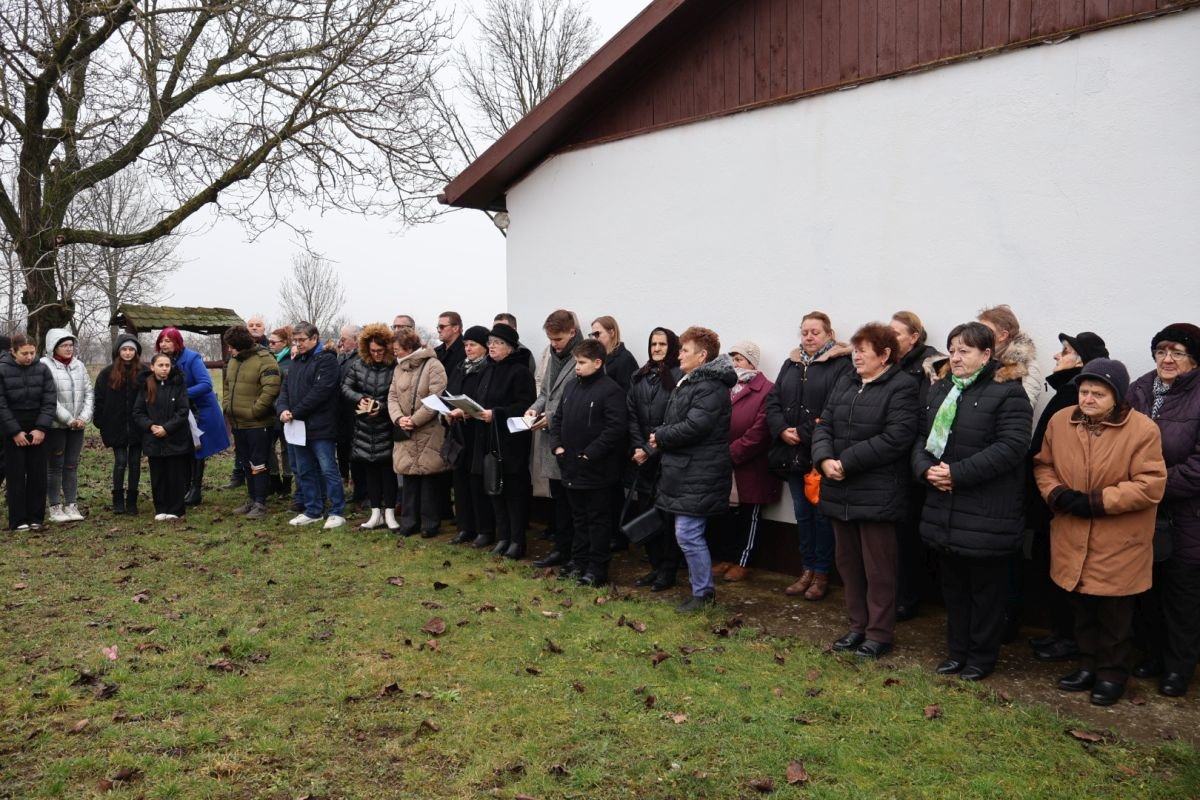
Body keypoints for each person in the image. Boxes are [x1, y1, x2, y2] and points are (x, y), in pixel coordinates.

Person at [1034, 358, 1166, 706]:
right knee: (1082, 608)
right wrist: (1056, 494)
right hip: (1072, 533)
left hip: (1118, 540)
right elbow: (1044, 465)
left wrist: (1097, 501)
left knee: (1114, 616)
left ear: (1116, 396)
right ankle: (1087, 666)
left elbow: (1150, 484)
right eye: (1084, 391)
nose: (1088, 399)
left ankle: (1112, 675)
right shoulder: (1061, 421)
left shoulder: (1142, 429)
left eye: (1098, 393)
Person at [913, 322, 1032, 681]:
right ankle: (957, 652)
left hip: (986, 512)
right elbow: (923, 438)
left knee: (985, 592)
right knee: (954, 589)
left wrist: (957, 473)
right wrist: (926, 470)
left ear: (986, 355)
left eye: (965, 351)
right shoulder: (942, 388)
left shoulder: (1008, 392)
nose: (955, 357)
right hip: (945, 509)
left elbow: (1011, 447)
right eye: (952, 349)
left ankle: (981, 657)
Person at [812, 323, 919, 659]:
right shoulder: (846, 381)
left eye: (863, 351)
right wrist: (823, 459)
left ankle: (879, 633)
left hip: (877, 493)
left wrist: (846, 462)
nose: (855, 356)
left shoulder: (902, 386)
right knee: (848, 564)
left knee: (878, 568)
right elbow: (824, 424)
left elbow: (896, 437)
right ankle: (857, 626)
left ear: (885, 355)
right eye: (855, 350)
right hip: (838, 489)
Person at [1026, 331, 1109, 663]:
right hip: (1052, 495)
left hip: (1064, 501)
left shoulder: (1075, 395)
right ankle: (1060, 633)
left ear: (1082, 360)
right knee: (1050, 566)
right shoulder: (1066, 390)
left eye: (1065, 351)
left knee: (1066, 570)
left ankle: (1069, 638)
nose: (1057, 356)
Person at [1127, 323, 1200, 698]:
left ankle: (1179, 667)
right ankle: (1153, 654)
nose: (1167, 359)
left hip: (1186, 515)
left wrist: (1149, 485)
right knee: (1147, 588)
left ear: (1194, 359)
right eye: (1161, 351)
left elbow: (1198, 467)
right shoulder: (1139, 388)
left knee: (1181, 594)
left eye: (1177, 352)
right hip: (1142, 513)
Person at [764, 311, 853, 601]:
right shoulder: (791, 363)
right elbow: (773, 400)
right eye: (804, 332)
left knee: (821, 516)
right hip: (791, 453)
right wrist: (781, 429)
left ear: (829, 334)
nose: (809, 337)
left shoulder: (841, 365)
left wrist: (802, 433)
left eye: (815, 332)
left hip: (819, 452)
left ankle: (822, 573)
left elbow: (834, 406)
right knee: (802, 514)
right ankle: (806, 570)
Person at [649, 326, 736, 613]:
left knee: (688, 533)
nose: (679, 355)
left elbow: (696, 426)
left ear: (702, 356)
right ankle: (699, 590)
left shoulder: (709, 387)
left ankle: (703, 593)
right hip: (686, 470)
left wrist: (662, 435)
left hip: (700, 471)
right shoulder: (691, 382)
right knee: (686, 533)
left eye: (685, 350)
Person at [550, 338, 628, 586]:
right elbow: (558, 418)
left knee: (598, 520)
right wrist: (557, 446)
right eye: (576, 362)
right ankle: (578, 561)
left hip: (597, 469)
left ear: (597, 362)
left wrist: (590, 453)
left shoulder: (611, 390)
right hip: (570, 465)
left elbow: (615, 428)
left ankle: (597, 568)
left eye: (582, 362)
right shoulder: (571, 387)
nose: (577, 367)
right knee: (578, 518)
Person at [889, 311, 945, 620]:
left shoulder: (929, 366)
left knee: (910, 535)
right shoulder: (889, 362)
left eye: (897, 333)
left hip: (915, 460)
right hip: (892, 461)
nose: (890, 337)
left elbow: (926, 415)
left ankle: (908, 597)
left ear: (914, 337)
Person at [711, 341, 779, 583]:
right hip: (724, 464)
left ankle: (744, 561)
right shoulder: (726, 387)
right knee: (727, 516)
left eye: (739, 359)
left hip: (751, 466)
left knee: (749, 516)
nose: (735, 364)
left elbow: (760, 432)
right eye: (732, 359)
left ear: (751, 362)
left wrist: (731, 453)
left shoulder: (767, 390)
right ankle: (726, 557)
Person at [470, 323, 536, 557]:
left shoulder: (520, 372)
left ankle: (517, 540)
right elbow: (479, 399)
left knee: (513, 494)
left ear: (510, 347)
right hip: (488, 439)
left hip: (511, 442)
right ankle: (503, 536)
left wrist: (496, 413)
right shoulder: (487, 370)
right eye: (490, 342)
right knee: (494, 489)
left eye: (498, 343)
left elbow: (525, 406)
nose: (492, 347)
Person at [527, 310, 584, 568]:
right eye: (550, 339)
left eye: (558, 339)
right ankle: (561, 549)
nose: (554, 344)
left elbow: (580, 400)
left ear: (572, 332)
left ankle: (575, 553)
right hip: (552, 439)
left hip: (571, 440)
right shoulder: (553, 355)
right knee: (559, 500)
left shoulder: (583, 357)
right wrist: (533, 409)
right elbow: (546, 393)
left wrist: (550, 417)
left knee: (574, 504)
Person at [627, 328, 683, 591]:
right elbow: (631, 414)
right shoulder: (639, 376)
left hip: (666, 458)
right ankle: (654, 566)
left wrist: (650, 450)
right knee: (646, 513)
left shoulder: (679, 377)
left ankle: (668, 570)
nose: (657, 348)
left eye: (662, 344)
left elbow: (674, 419)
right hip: (643, 459)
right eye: (653, 344)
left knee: (667, 518)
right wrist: (639, 447)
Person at [277, 321, 345, 529]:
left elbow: (321, 392)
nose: (298, 344)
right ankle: (313, 510)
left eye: (302, 340)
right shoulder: (296, 361)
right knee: (304, 470)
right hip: (297, 427)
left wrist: (295, 412)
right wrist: (282, 409)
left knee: (327, 469)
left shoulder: (327, 360)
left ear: (314, 338)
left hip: (321, 426)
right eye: (295, 340)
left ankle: (337, 511)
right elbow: (285, 389)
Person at [156, 327, 229, 505]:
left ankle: (195, 490)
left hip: (202, 409)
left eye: (168, 341)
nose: (164, 344)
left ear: (177, 342)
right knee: (185, 447)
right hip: (182, 410)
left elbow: (206, 384)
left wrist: (179, 396)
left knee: (197, 447)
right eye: (161, 341)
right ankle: (185, 488)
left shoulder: (192, 358)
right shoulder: (164, 360)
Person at [389, 328, 451, 537]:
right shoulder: (399, 368)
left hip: (428, 430)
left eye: (397, 348)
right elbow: (392, 396)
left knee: (428, 478)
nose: (394, 352)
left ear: (409, 347)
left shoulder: (433, 365)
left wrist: (414, 420)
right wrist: (399, 418)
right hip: (405, 429)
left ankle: (429, 523)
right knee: (409, 477)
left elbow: (436, 397)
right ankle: (409, 522)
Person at [339, 324, 398, 530]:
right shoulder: (358, 365)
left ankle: (389, 512)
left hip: (386, 424)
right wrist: (360, 399)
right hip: (364, 425)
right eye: (373, 351)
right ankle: (375, 513)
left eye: (380, 350)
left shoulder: (395, 366)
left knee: (388, 470)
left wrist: (381, 407)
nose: (377, 354)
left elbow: (399, 395)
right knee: (370, 469)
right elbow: (345, 387)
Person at [222, 325, 281, 519]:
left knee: (259, 463)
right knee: (246, 462)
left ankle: (260, 502)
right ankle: (252, 498)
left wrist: (255, 411)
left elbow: (271, 389)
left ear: (240, 345)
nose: (229, 349)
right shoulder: (234, 361)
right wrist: (227, 406)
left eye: (231, 346)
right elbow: (227, 385)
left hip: (258, 424)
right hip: (238, 422)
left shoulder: (265, 360)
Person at [444, 326, 495, 546]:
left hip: (478, 433)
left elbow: (486, 399)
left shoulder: (489, 368)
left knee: (477, 483)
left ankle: (484, 529)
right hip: (458, 432)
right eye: (465, 345)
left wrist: (465, 412)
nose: (468, 349)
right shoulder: (460, 367)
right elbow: (450, 392)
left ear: (484, 347)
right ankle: (464, 527)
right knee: (460, 481)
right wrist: (447, 412)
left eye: (473, 345)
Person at [0, 334, 56, 530]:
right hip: (12, 428)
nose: (29, 357)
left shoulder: (43, 369)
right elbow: (1, 404)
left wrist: (41, 428)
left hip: (37, 426)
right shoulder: (2, 370)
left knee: (38, 474)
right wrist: (15, 431)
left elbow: (50, 400)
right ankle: (18, 520)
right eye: (24, 353)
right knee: (15, 475)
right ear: (13, 351)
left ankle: (36, 517)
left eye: (32, 352)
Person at [41, 328, 93, 522]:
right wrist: (69, 419)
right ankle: (55, 507)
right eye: (64, 345)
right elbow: (48, 397)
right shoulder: (45, 365)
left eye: (71, 345)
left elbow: (89, 393)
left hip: (78, 426)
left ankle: (71, 505)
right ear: (53, 346)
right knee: (55, 466)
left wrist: (84, 417)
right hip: (56, 425)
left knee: (71, 465)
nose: (69, 348)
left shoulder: (79, 365)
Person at [133, 353, 193, 520]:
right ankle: (161, 508)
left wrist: (167, 428)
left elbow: (183, 410)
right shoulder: (146, 386)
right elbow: (138, 412)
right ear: (152, 367)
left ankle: (176, 509)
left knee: (175, 475)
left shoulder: (178, 384)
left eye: (167, 365)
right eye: (160, 365)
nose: (164, 368)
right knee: (158, 475)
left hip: (175, 438)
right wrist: (150, 426)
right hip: (153, 439)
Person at [93, 335, 147, 514]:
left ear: (136, 352)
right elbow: (99, 399)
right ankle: (117, 499)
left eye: (131, 349)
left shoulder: (144, 372)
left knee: (135, 463)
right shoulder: (106, 373)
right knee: (121, 462)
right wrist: (100, 421)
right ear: (118, 351)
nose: (128, 353)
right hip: (115, 426)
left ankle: (132, 500)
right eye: (124, 349)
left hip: (138, 426)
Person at [977, 305, 1042, 406]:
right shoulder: (978, 358)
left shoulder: (1026, 366)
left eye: (984, 331)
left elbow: (1024, 407)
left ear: (1003, 335)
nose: (978, 335)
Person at [336, 324, 366, 509]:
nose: (341, 342)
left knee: (358, 455)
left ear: (355, 340)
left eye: (344, 339)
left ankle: (363, 492)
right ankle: (356, 491)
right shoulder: (343, 357)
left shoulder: (361, 359)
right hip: (342, 414)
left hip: (356, 413)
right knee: (346, 452)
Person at [590, 316, 639, 391]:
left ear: (611, 333)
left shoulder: (625, 359)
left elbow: (629, 392)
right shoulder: (597, 357)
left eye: (597, 334)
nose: (594, 338)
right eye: (593, 335)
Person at [495, 312, 539, 377]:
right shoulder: (490, 350)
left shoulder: (524, 354)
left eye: (502, 328)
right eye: (495, 328)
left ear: (514, 330)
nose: (497, 332)